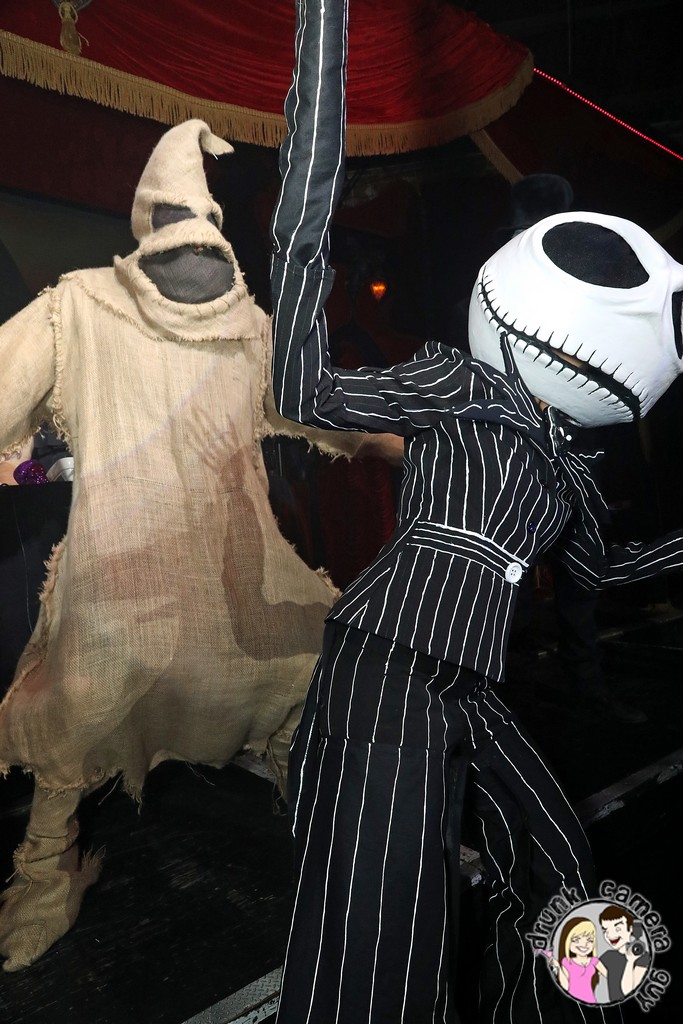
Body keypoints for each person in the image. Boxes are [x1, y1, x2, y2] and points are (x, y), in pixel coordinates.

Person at [269, 2, 683, 1021]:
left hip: (469, 683)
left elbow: (604, 568)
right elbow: (306, 390)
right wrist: (310, 164)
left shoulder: (569, 474)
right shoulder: (460, 387)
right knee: (381, 933)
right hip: (389, 660)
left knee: (562, 868)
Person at [599, 905, 651, 1002]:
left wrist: (630, 961)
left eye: (618, 929)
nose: (610, 935)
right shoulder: (608, 956)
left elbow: (627, 992)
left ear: (630, 929)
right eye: (605, 930)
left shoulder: (643, 957)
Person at [551, 916, 607, 1004]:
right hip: (571, 1002)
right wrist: (558, 967)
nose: (584, 944)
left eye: (590, 940)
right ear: (567, 941)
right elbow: (565, 987)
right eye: (576, 940)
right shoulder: (567, 962)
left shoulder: (594, 961)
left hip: (590, 1001)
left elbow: (610, 976)